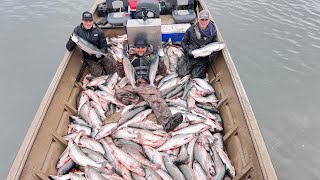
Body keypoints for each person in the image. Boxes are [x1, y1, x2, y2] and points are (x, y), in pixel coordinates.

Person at [115, 36, 182, 132]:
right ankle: (141, 101)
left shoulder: (151, 57)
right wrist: (119, 62)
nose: (141, 50)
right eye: (138, 47)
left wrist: (161, 58)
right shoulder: (129, 57)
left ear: (146, 47)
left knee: (156, 100)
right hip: (133, 84)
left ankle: (167, 122)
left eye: (143, 47)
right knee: (119, 93)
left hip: (147, 85)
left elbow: (162, 72)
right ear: (134, 48)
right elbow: (121, 75)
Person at [66, 11, 115, 77]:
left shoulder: (98, 31)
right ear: (81, 21)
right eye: (85, 21)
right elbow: (69, 47)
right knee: (99, 75)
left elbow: (104, 45)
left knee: (113, 69)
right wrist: (72, 40)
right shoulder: (77, 31)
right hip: (90, 59)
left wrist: (101, 54)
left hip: (100, 54)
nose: (88, 23)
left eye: (90, 21)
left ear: (93, 21)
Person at [177, 9, 217, 79]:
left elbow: (214, 45)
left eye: (206, 20)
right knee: (181, 73)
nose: (204, 22)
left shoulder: (213, 32)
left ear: (209, 20)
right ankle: (183, 61)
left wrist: (213, 52)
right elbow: (183, 42)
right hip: (191, 54)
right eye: (202, 19)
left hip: (203, 58)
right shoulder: (191, 29)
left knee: (195, 77)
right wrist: (188, 51)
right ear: (198, 19)